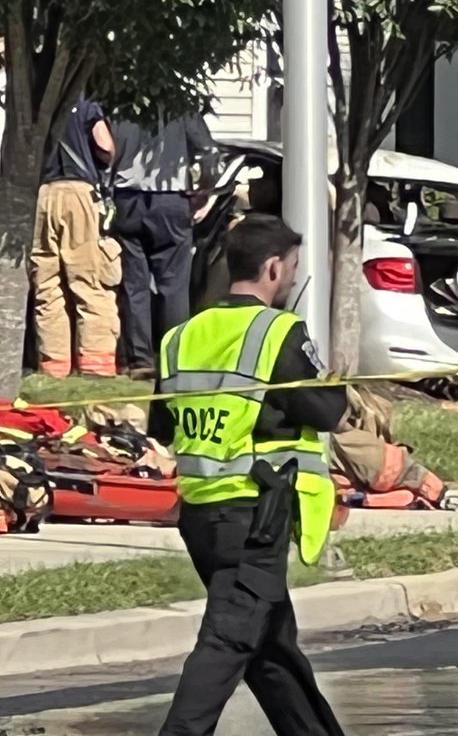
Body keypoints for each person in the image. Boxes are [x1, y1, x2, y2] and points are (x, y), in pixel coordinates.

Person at [149, 214, 348, 736]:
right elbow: (324, 412)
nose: (291, 279)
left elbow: (162, 424)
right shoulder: (277, 332)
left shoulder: (180, 338)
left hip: (201, 516)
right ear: (273, 268)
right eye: (293, 269)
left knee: (271, 650)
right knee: (229, 642)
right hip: (255, 513)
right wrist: (335, 382)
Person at [112, 111, 220, 379]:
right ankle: (175, 359)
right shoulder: (180, 106)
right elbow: (209, 152)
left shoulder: (118, 104)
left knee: (134, 286)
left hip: (127, 199)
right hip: (171, 198)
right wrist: (204, 190)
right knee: (174, 286)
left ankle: (140, 361)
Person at [29, 93, 122, 378]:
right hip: (79, 194)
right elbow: (105, 145)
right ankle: (96, 363)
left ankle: (53, 364)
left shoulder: (35, 103)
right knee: (89, 279)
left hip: (43, 194)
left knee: (47, 282)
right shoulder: (85, 106)